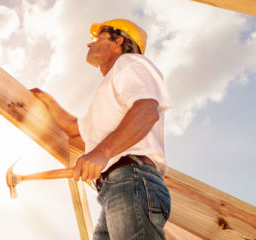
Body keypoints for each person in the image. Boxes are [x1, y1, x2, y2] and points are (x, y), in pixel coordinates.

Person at [31, 19, 172, 239]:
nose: (90, 44)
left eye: (99, 37)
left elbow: (147, 110)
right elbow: (74, 130)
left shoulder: (130, 63)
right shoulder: (110, 90)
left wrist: (102, 153)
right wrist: (46, 99)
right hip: (115, 186)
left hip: (131, 179)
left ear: (118, 41)